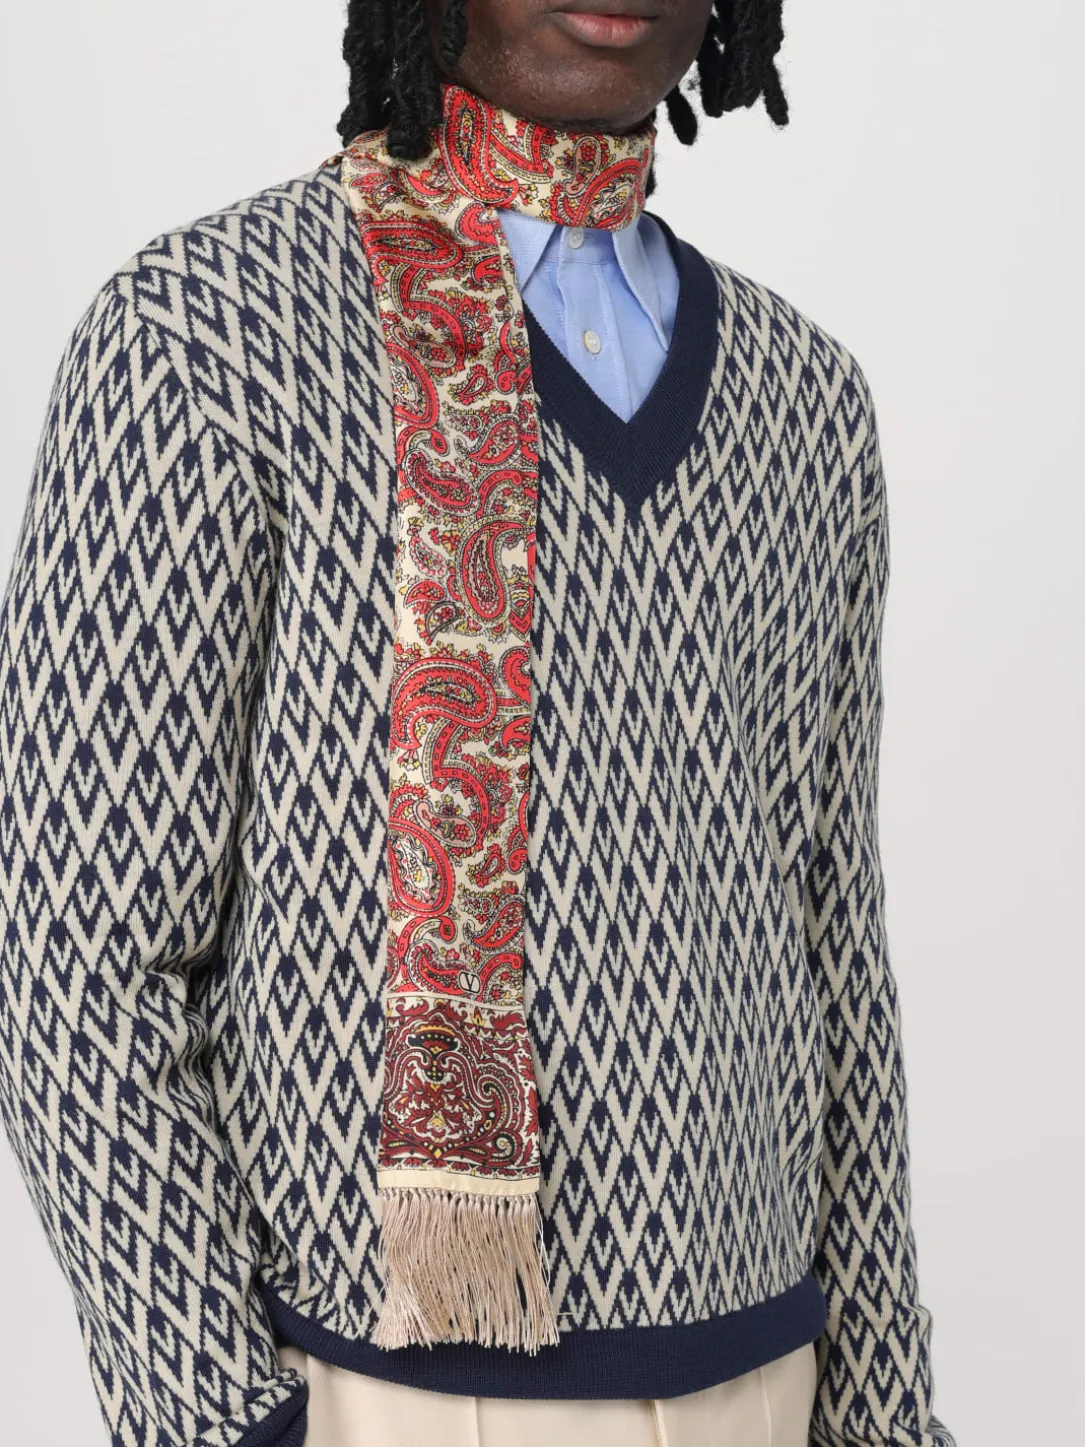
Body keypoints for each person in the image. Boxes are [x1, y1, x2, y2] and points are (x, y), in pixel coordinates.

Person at [0, 3, 956, 1446]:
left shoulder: (805, 402)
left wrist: (883, 1409)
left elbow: (836, 950)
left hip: (768, 1378)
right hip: (380, 1391)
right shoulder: (205, 335)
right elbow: (74, 958)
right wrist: (227, 1422)